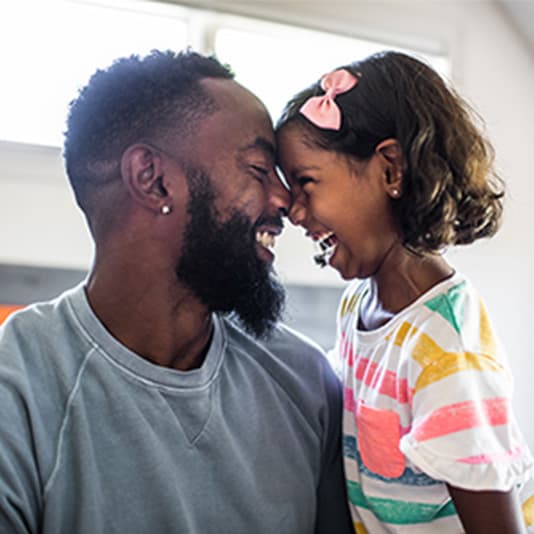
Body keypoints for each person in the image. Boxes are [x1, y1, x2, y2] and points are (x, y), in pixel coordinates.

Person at [0, 50, 354, 534]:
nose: (286, 202)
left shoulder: (307, 381)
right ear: (154, 179)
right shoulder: (18, 386)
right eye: (257, 169)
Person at [276, 50, 534, 533]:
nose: (294, 211)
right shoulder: (359, 304)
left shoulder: (447, 352)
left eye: (306, 183)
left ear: (390, 168)